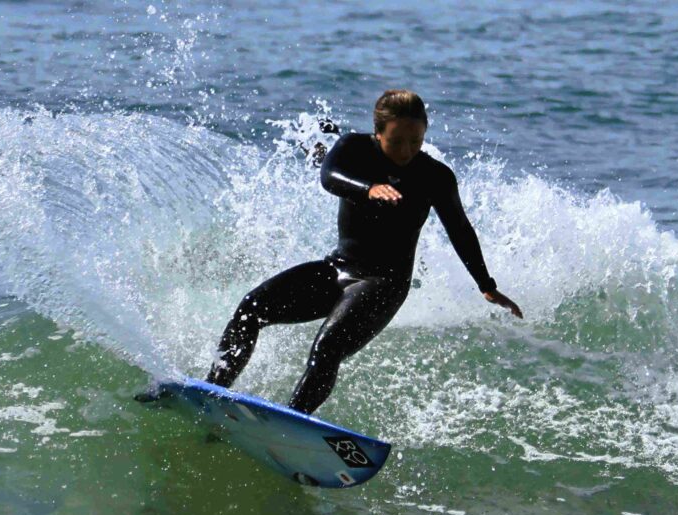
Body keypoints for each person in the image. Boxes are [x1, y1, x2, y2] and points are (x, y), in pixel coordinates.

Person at [205, 90, 522, 414]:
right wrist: (368, 189)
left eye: (415, 141)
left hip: (384, 284)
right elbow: (329, 177)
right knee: (251, 309)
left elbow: (460, 230)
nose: (406, 150)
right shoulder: (353, 149)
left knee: (327, 348)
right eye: (396, 141)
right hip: (338, 268)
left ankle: (290, 424)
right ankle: (209, 394)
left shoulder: (435, 176)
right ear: (378, 133)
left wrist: (486, 285)